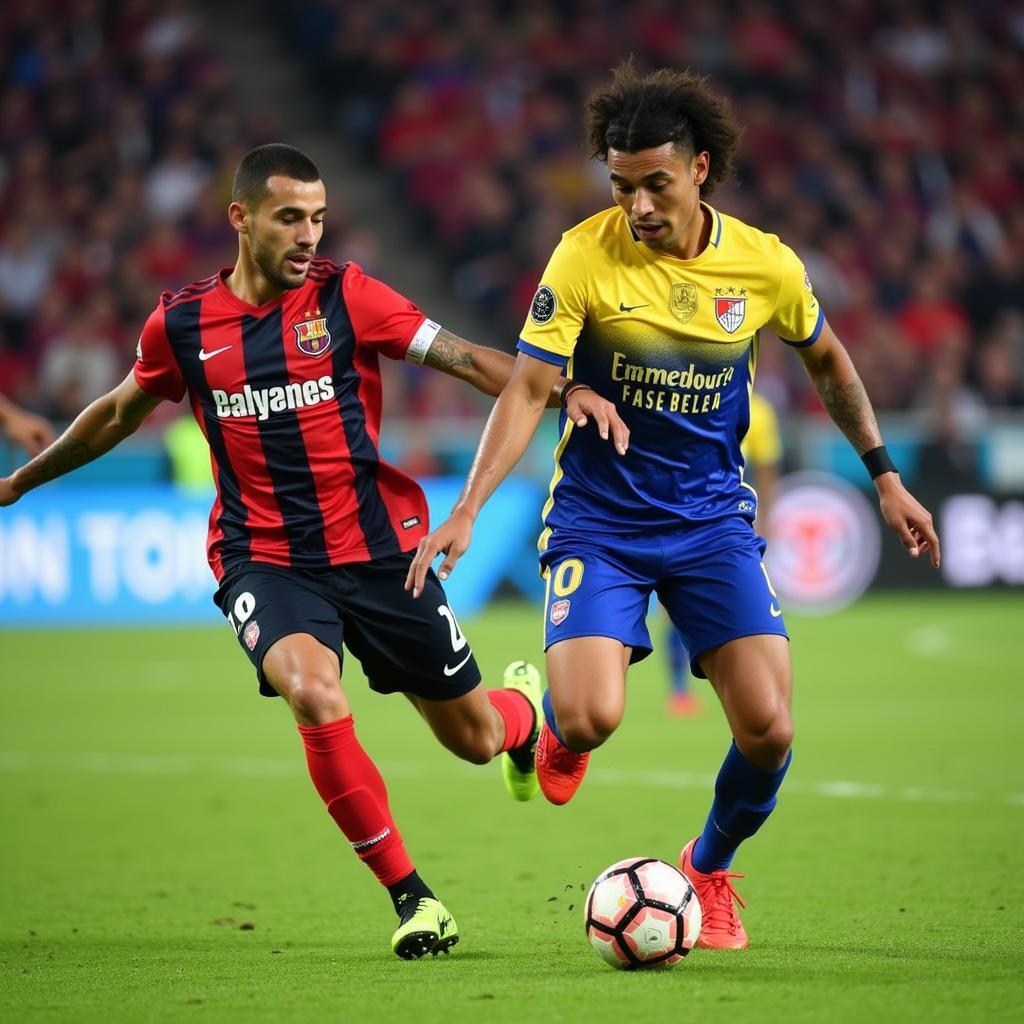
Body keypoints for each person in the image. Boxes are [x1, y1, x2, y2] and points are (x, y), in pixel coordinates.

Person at [0, 144, 625, 960]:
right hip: (263, 559)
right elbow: (118, 413)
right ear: (242, 218)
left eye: (318, 218)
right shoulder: (182, 324)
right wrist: (23, 482)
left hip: (379, 551)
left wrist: (562, 386)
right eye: (289, 217)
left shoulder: (348, 296)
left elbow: (471, 359)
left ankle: (521, 719)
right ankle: (416, 901)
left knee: (473, 738)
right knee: (314, 695)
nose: (307, 235)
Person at [406, 64, 940, 950]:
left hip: (709, 522)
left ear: (699, 169)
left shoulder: (763, 265)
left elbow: (830, 363)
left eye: (655, 183)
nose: (639, 206)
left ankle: (709, 867)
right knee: (591, 719)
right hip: (599, 521)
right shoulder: (583, 254)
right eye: (622, 187)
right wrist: (466, 508)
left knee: (769, 730)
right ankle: (549, 735)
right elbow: (528, 386)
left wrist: (884, 474)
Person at [665, 389, 781, 717]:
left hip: (725, 523)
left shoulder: (760, 412)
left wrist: (767, 519)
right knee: (671, 609)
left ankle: (739, 687)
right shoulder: (690, 397)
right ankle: (679, 689)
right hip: (674, 516)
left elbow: (767, 470)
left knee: (740, 609)